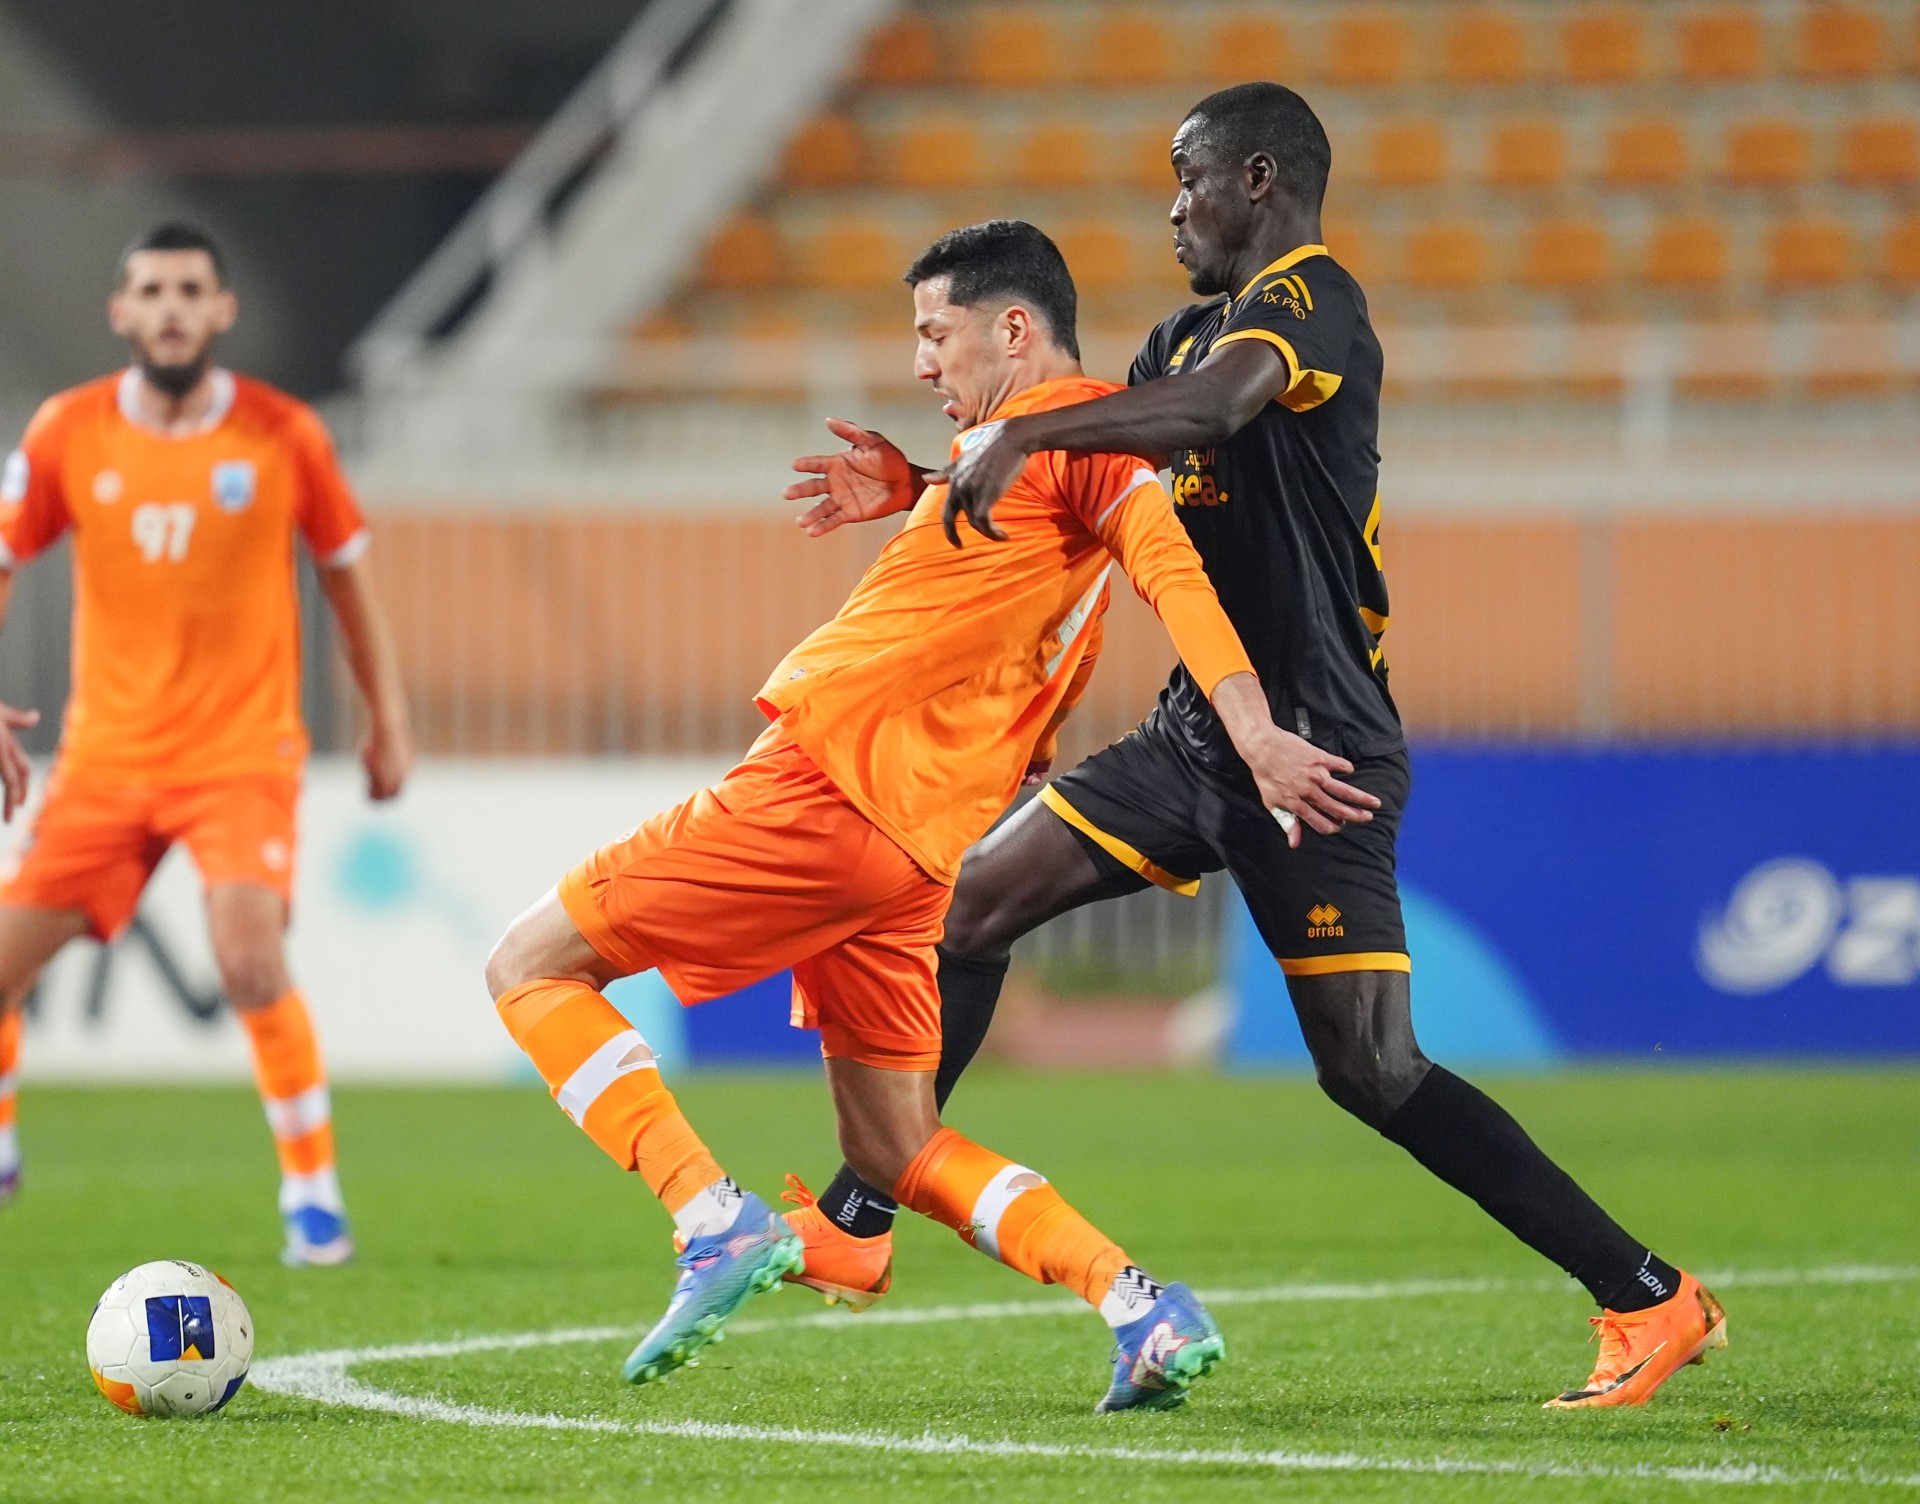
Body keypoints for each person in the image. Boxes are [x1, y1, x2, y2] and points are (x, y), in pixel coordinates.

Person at [781, 85, 1726, 1411]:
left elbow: (1212, 413)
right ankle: (859, 1214)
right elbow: (1099, 474)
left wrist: (1017, 428)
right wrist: (934, 482)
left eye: (1189, 178)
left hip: (1318, 753)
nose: (1172, 208)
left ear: (1260, 179)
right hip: (1197, 739)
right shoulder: (1179, 336)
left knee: (1371, 1069)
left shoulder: (1312, 304)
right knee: (970, 907)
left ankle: (1649, 1294)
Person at [485, 219, 1361, 1412]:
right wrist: (923, 487)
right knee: (894, 1151)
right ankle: (1138, 1303)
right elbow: (1053, 597)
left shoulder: (1085, 439)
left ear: (1016, 328)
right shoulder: (1031, 457)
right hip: (915, 855)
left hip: (825, 788)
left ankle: (708, 1214)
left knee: (529, 965)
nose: (920, 362)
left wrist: (1253, 731)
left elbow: (1174, 575)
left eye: (936, 332)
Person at [0, 222, 413, 1266]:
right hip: (104, 758)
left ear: (223, 309)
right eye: (152, 290)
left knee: (247, 956)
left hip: (239, 754)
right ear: (121, 311)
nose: (172, 307)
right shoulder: (67, 430)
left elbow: (347, 574)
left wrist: (387, 715)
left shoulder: (282, 433)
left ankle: (312, 1192)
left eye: (191, 289)